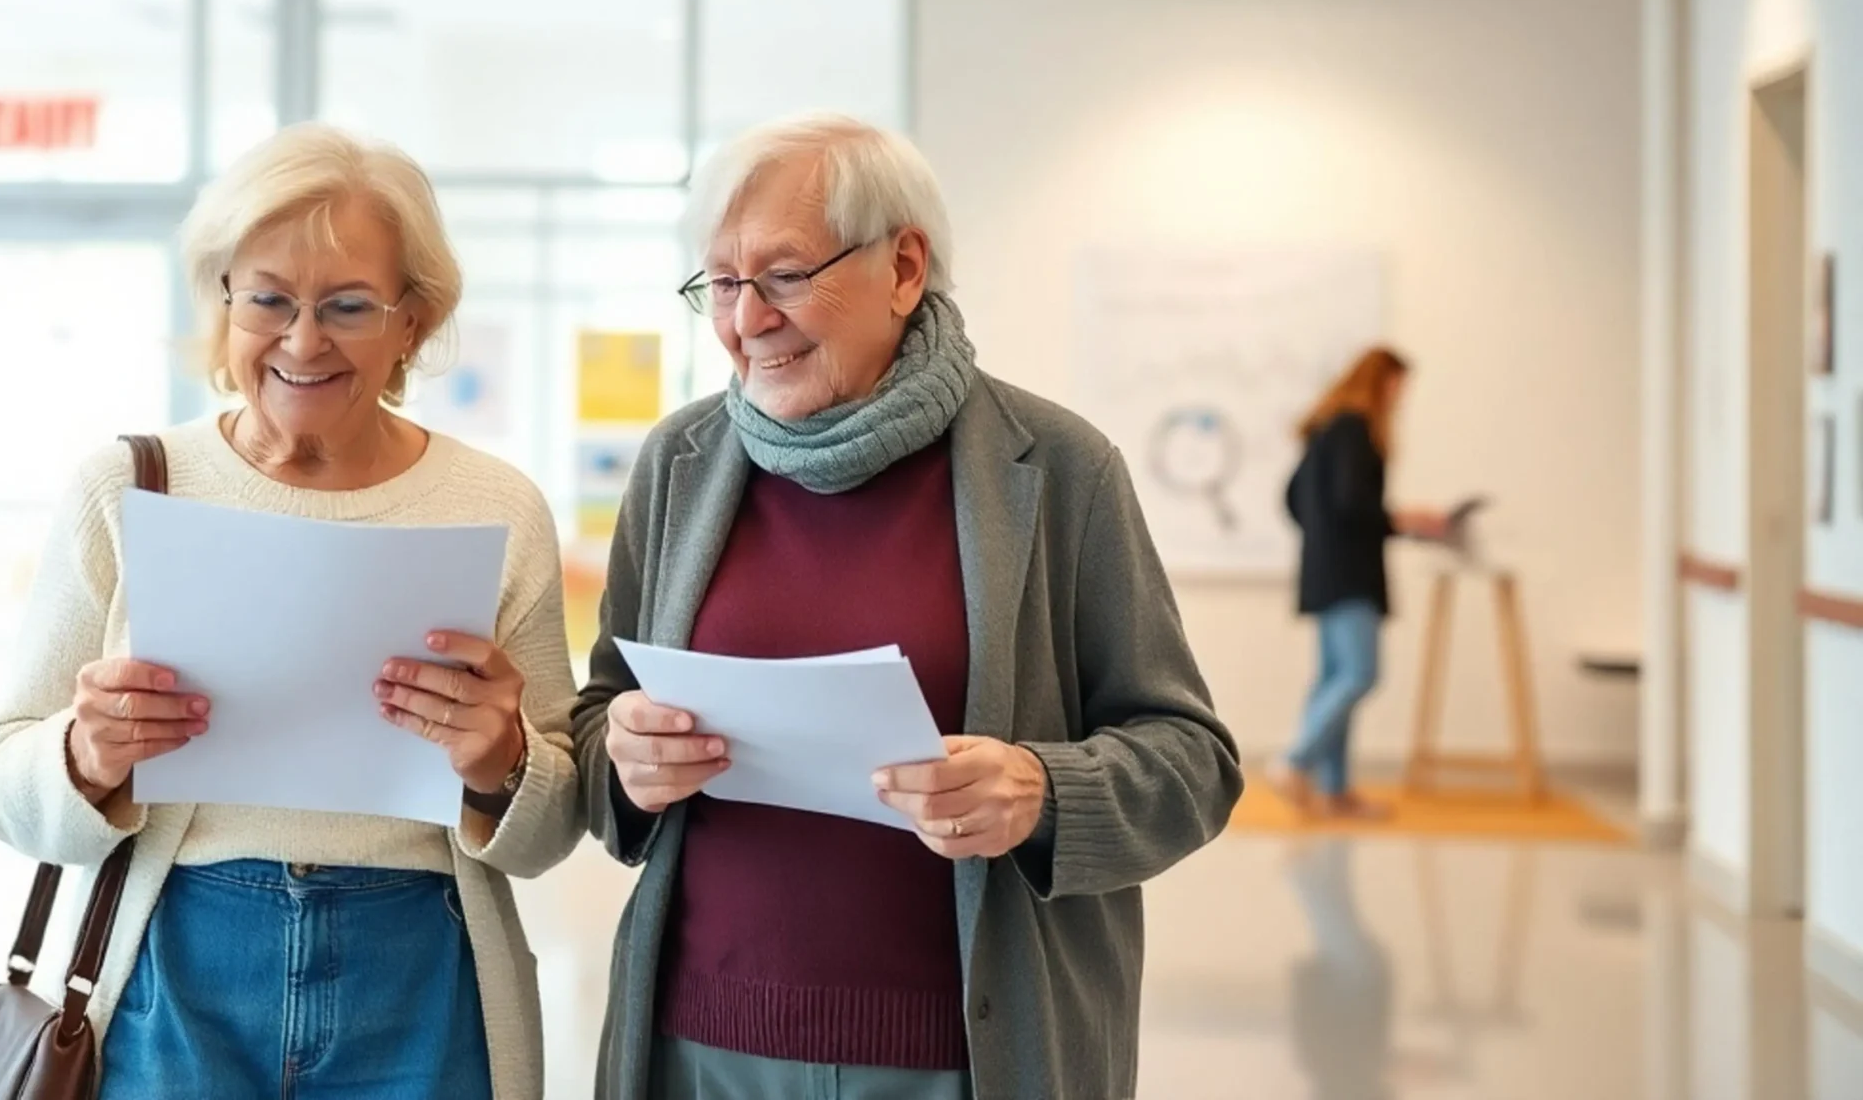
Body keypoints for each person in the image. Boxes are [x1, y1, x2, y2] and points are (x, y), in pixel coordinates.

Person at [571, 112, 1242, 1100]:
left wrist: (1041, 788)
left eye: (786, 274)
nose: (745, 318)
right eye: (720, 281)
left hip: (966, 1057)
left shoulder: (1058, 468)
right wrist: (624, 753)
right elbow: (598, 722)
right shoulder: (678, 463)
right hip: (704, 1047)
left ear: (903, 267)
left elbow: (1193, 761)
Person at [0, 125, 583, 1100]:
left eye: (346, 305)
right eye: (267, 299)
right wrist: (87, 755)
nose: (302, 339)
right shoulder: (127, 486)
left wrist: (500, 763)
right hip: (177, 962)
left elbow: (554, 826)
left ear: (412, 324)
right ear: (223, 302)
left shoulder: (495, 506)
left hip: (422, 967)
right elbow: (1, 774)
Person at [1273, 347, 1453, 820]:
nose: (1399, 398)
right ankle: (1295, 762)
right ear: (1380, 381)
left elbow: (1292, 499)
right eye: (1397, 386)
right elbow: (1354, 502)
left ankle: (1336, 792)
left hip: (1322, 570)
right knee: (1359, 674)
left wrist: (1322, 538)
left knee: (1335, 678)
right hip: (1351, 574)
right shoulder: (1354, 427)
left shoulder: (1324, 428)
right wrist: (1405, 520)